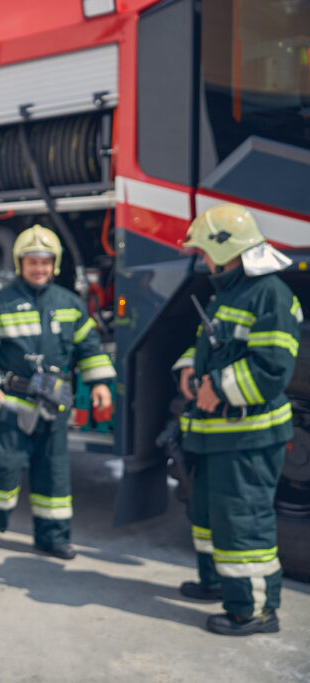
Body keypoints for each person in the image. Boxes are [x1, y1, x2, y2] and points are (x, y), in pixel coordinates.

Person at [171, 204, 300, 636]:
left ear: (226, 251)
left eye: (205, 252)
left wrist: (218, 389)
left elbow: (273, 368)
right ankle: (218, 584)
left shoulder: (270, 295)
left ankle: (255, 611)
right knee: (210, 514)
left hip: (248, 437)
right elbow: (210, 345)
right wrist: (189, 368)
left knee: (243, 520)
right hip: (219, 435)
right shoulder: (229, 292)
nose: (203, 261)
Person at [0, 226, 113, 559]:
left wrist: (99, 383)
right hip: (13, 405)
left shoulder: (70, 304)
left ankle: (53, 537)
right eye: (32, 262)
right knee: (3, 468)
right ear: (20, 263)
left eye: (45, 262)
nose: (39, 268)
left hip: (54, 406)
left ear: (55, 264)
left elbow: (89, 347)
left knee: (55, 473)